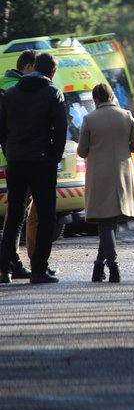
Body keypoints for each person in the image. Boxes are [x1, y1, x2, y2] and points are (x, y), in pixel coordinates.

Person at [0, 52, 67, 284]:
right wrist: (53, 159)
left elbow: (2, 131)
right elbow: (60, 130)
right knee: (46, 216)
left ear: (33, 67)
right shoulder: (52, 94)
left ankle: (4, 269)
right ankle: (39, 269)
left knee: (15, 215)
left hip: (16, 161)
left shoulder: (10, 94)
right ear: (52, 72)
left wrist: (10, 153)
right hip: (42, 162)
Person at [77, 83, 134, 283]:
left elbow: (82, 151)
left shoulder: (89, 119)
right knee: (111, 220)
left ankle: (113, 266)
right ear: (111, 96)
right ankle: (98, 267)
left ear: (95, 99)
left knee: (105, 222)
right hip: (122, 174)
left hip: (100, 176)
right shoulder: (126, 115)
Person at [0, 50, 38, 269]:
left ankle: (9, 262)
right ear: (28, 67)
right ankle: (12, 261)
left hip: (11, 155)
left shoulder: (4, 84)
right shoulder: (17, 89)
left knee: (14, 212)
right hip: (16, 157)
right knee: (18, 212)